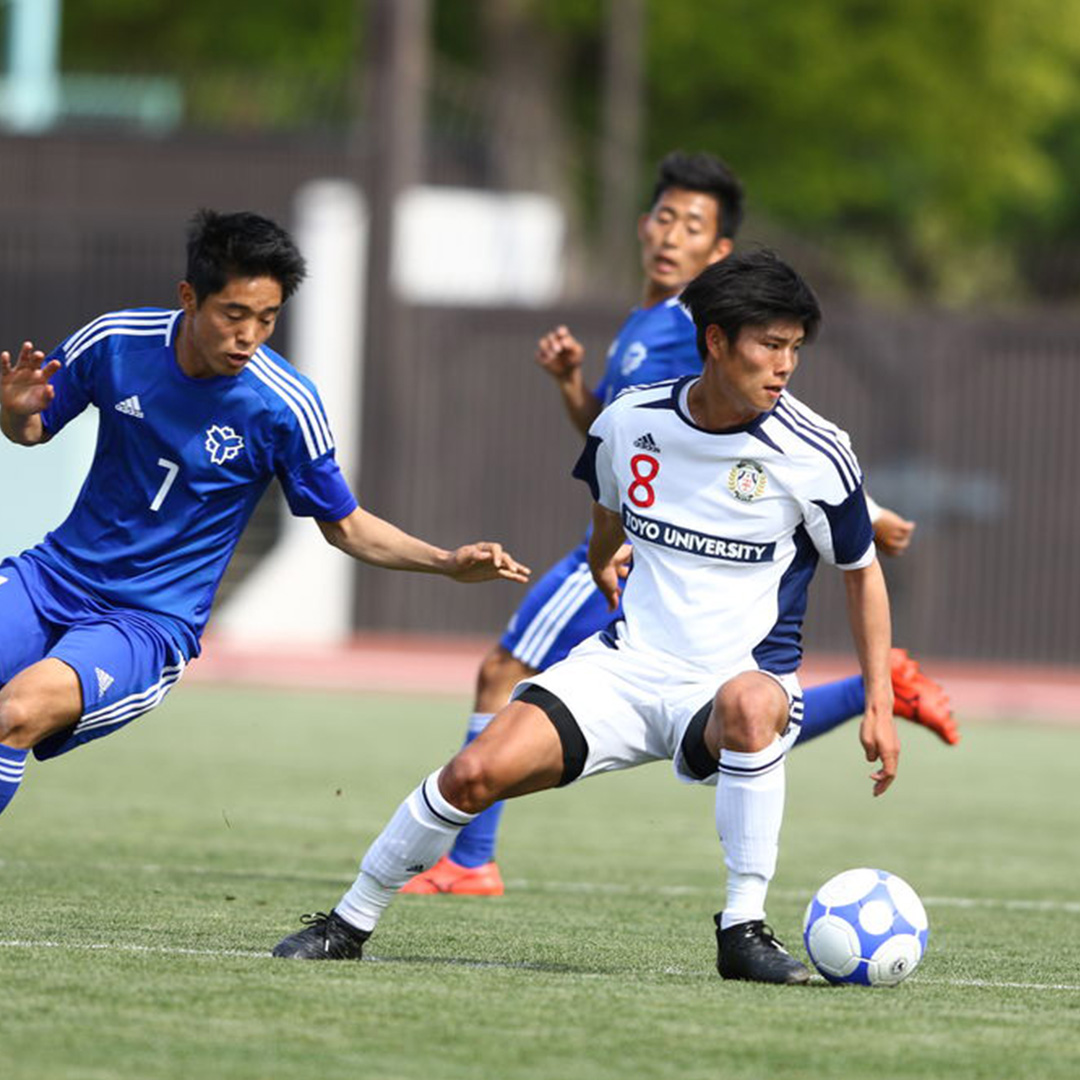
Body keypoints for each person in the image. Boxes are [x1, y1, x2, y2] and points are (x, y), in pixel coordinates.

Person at [272, 249, 895, 985]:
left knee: (754, 701)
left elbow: (862, 574)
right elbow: (607, 510)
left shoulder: (815, 451)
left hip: (734, 682)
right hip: (625, 669)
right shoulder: (630, 421)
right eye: (769, 344)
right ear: (717, 341)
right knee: (472, 774)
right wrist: (606, 557)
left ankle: (743, 929)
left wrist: (878, 701)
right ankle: (347, 922)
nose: (785, 364)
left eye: (795, 347)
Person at [403, 151, 956, 897]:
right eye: (664, 217)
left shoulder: (689, 327)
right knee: (708, 730)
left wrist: (873, 512)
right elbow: (615, 430)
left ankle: (471, 860)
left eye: (692, 226)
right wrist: (571, 383)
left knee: (506, 672)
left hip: (641, 546)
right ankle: (870, 684)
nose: (671, 236)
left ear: (717, 253)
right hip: (638, 533)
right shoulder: (644, 322)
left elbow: (751, 435)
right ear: (642, 224)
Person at [0, 209, 529, 819]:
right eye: (234, 314)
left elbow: (348, 526)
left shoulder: (283, 406)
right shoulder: (116, 343)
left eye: (267, 319)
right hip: (53, 577)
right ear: (189, 298)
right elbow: (34, 429)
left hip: (146, 622)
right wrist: (14, 412)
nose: (249, 335)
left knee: (17, 711)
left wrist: (445, 561)